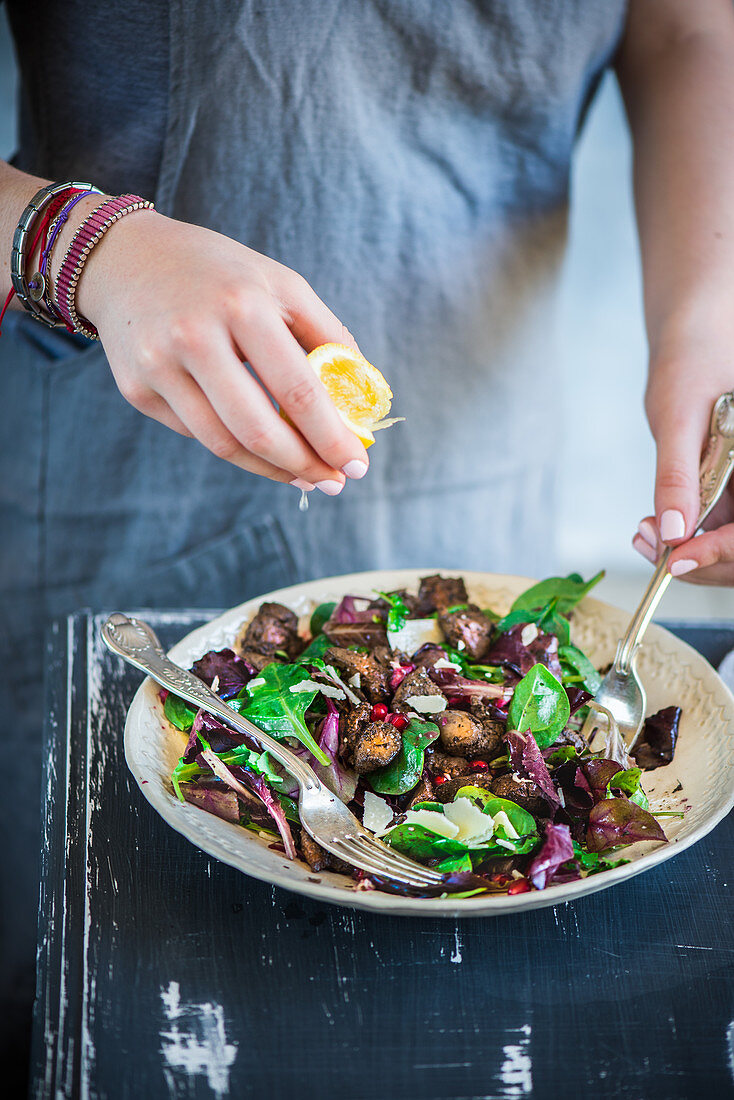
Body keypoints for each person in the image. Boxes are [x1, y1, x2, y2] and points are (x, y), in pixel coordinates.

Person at [2, 0, 734, 1090]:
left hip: (477, 432)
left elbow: (688, 31)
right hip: (105, 466)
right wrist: (75, 241)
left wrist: (707, 335)